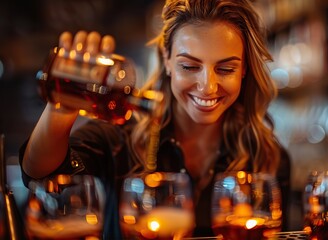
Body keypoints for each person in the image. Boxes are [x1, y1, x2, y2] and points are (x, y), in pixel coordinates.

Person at [19, 0, 291, 238]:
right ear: (167, 60)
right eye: (189, 66)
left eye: (225, 68)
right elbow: (40, 174)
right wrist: (62, 107)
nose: (207, 86)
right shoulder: (118, 137)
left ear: (244, 70)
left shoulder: (267, 157)